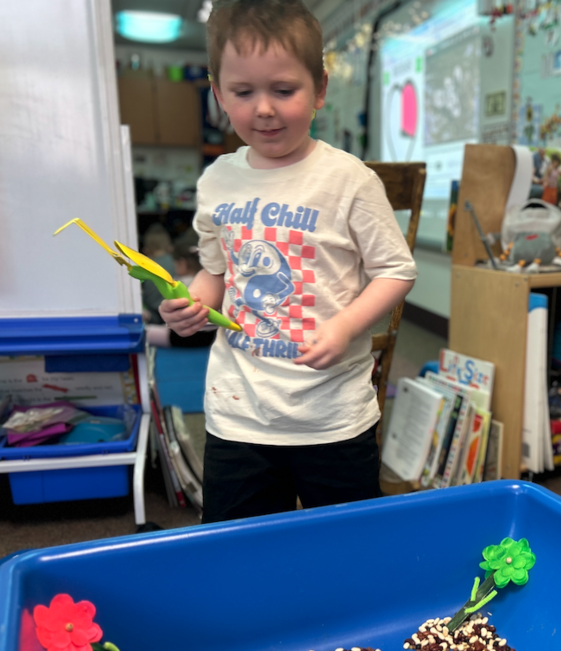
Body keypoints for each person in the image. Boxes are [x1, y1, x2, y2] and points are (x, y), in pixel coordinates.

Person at [158, 0, 417, 523]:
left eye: (283, 89)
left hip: (333, 417)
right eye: (243, 92)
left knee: (347, 549)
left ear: (319, 89)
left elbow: (396, 270)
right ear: (218, 95)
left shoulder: (349, 180)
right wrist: (191, 304)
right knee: (237, 550)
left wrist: (344, 325)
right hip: (238, 413)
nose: (264, 109)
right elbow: (216, 273)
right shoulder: (218, 182)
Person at [146, 229, 217, 349]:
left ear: (182, 264)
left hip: (183, 338)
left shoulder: (180, 285)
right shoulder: (213, 283)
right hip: (210, 339)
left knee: (144, 333)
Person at [140, 223, 177, 323]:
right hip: (175, 313)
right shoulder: (177, 263)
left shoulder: (144, 267)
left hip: (154, 316)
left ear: (146, 251)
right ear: (171, 248)